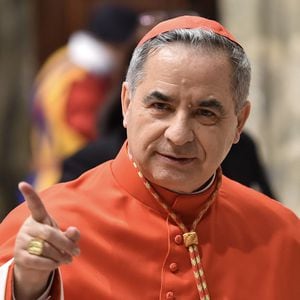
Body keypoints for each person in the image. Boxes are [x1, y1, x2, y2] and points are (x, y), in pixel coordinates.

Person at [0, 15, 299, 299]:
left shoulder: (282, 236)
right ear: (127, 104)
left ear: (239, 123)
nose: (179, 135)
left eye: (205, 113)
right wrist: (27, 286)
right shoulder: (48, 227)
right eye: (160, 106)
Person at [29, 3, 138, 192]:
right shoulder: (85, 82)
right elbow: (88, 132)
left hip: (47, 174)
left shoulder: (62, 59)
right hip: (67, 180)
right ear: (117, 45)